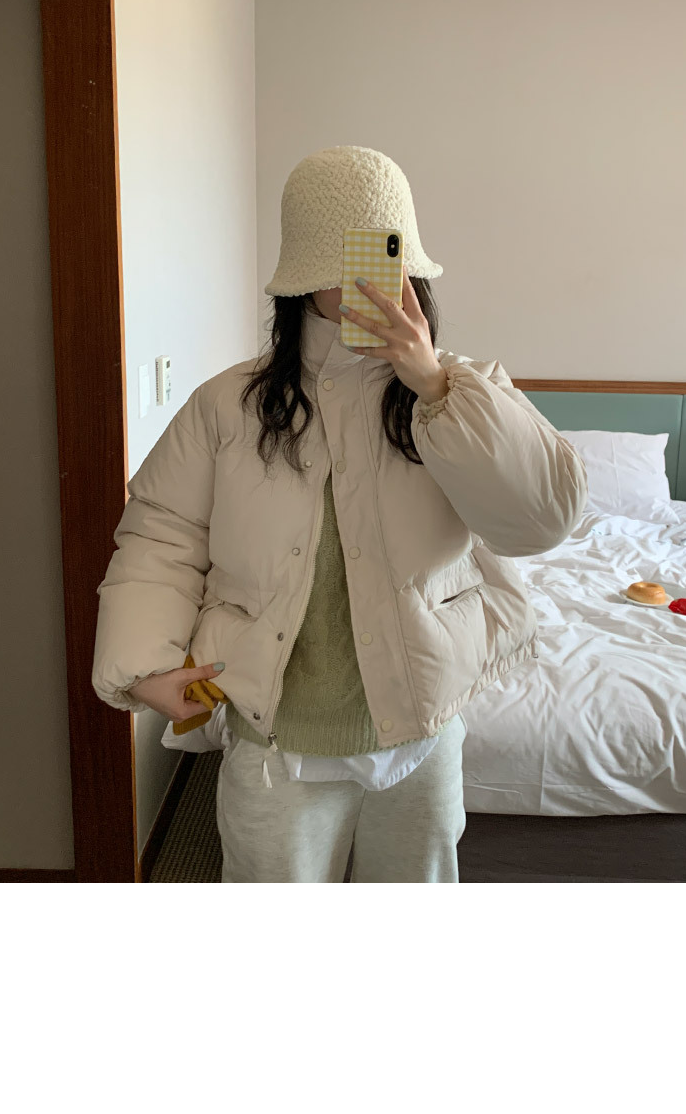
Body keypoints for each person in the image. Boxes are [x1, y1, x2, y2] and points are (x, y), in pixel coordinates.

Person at [91, 144, 588, 882]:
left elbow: (543, 519)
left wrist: (434, 386)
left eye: (381, 260)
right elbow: (162, 534)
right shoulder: (228, 405)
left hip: (420, 730)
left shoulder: (463, 394)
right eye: (338, 264)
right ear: (300, 278)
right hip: (276, 740)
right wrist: (144, 661)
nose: (361, 286)